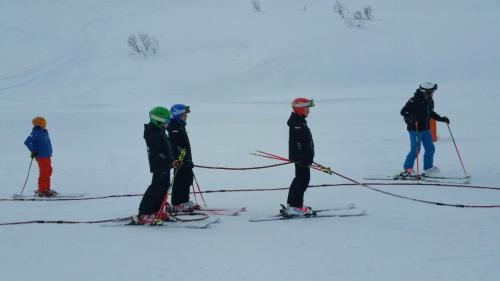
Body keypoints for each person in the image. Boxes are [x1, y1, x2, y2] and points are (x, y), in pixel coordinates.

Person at [136, 106, 177, 225]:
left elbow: (166, 149)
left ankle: (156, 210)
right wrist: (170, 161)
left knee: (164, 188)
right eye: (166, 121)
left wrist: (172, 160)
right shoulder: (153, 133)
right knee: (156, 187)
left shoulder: (160, 130)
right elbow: (158, 152)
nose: (168, 124)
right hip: (159, 164)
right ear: (158, 120)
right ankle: (144, 213)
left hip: (165, 164)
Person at [400, 82, 450, 176]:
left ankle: (428, 167)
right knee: (416, 149)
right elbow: (403, 112)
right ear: (426, 92)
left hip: (425, 128)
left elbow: (430, 113)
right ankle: (408, 168)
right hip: (415, 129)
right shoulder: (414, 100)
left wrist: (441, 119)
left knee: (430, 148)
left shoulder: (430, 100)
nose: (433, 93)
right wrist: (412, 117)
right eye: (431, 91)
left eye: (433, 91)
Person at [282, 98, 316, 217]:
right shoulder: (298, 124)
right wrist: (303, 158)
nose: (309, 111)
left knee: (300, 180)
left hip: (302, 159)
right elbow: (298, 144)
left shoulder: (299, 122)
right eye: (307, 108)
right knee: (302, 180)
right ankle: (296, 207)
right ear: (301, 109)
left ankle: (292, 205)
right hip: (302, 160)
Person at [167, 104, 200, 212]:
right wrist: (182, 160)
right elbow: (177, 147)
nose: (186, 116)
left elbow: (184, 147)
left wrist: (188, 160)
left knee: (187, 179)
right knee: (180, 180)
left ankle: (185, 201)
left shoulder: (180, 126)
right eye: (184, 114)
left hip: (184, 159)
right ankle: (177, 203)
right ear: (178, 115)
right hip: (179, 161)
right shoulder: (174, 128)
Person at [24, 116, 57, 197]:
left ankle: (47, 188)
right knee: (44, 172)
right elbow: (27, 142)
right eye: (43, 123)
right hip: (41, 156)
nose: (44, 124)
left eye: (45, 123)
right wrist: (33, 150)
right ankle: (42, 190)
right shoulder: (36, 132)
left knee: (48, 171)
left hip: (47, 155)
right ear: (38, 124)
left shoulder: (44, 132)